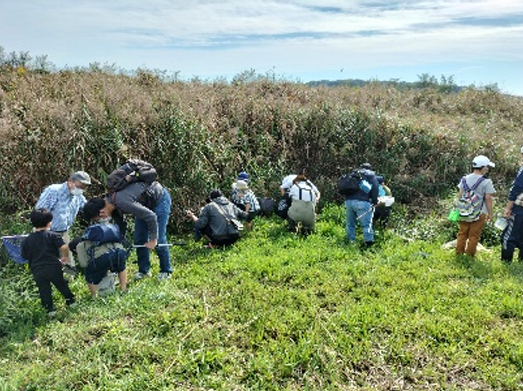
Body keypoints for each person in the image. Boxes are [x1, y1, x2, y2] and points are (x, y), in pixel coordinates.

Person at [102, 179, 172, 281]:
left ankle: (165, 270)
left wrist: (153, 240)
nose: (103, 217)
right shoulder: (112, 205)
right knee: (139, 238)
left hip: (159, 200)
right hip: (143, 205)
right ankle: (143, 270)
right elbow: (121, 227)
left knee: (159, 238)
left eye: (101, 215)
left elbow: (151, 217)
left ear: (102, 210)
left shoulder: (122, 201)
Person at [20, 208, 76, 316]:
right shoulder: (53, 235)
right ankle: (71, 300)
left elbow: (24, 255)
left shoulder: (27, 240)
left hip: (37, 269)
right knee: (61, 284)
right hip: (53, 266)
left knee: (44, 289)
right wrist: (65, 257)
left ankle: (50, 310)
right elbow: (64, 247)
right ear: (49, 223)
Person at [70, 198, 128, 297]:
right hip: (120, 252)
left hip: (104, 256)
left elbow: (84, 263)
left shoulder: (89, 234)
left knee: (90, 275)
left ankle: (94, 297)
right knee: (121, 268)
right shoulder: (113, 223)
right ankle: (123, 289)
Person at [35, 171, 92, 267]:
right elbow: (39, 211)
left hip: (63, 233)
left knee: (68, 267)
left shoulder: (78, 197)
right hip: (46, 232)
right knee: (45, 265)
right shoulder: (53, 191)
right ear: (70, 181)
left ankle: (67, 280)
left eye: (83, 188)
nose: (81, 190)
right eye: (79, 186)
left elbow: (87, 208)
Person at [455, 155, 496, 257]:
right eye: (487, 167)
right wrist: (490, 213)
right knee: (474, 235)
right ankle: (469, 256)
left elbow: (460, 195)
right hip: (480, 212)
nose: (487, 169)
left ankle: (459, 253)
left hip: (464, 211)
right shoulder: (486, 181)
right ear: (483, 167)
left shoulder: (464, 179)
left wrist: (458, 208)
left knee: (462, 232)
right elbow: (488, 198)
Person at [343, 163, 379, 247]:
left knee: (350, 224)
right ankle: (369, 244)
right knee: (366, 224)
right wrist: (374, 201)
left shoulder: (354, 174)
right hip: (362, 202)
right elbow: (375, 189)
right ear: (370, 168)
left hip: (349, 202)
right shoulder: (370, 175)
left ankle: (350, 242)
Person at [501, 146, 523, 263]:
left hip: (519, 208)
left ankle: (506, 261)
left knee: (508, 237)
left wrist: (508, 207)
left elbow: (516, 189)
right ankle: (521, 262)